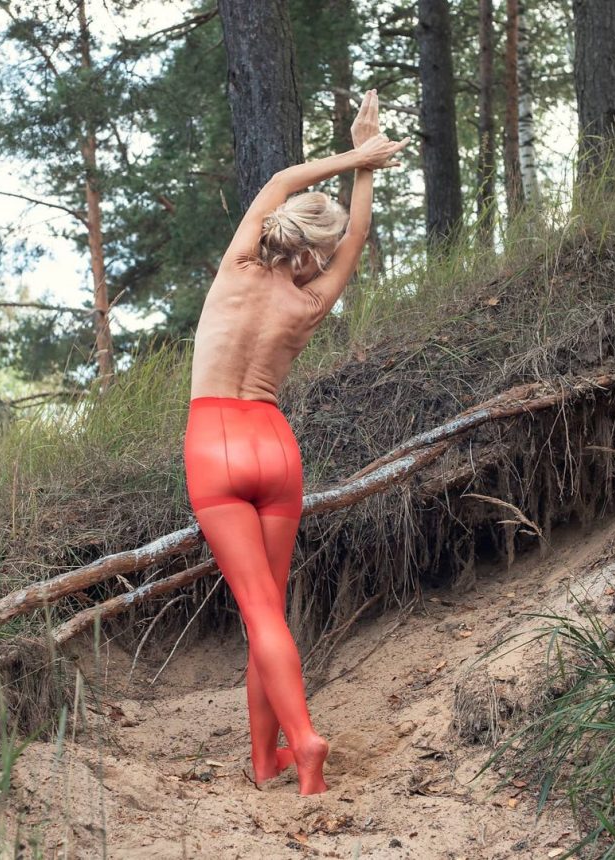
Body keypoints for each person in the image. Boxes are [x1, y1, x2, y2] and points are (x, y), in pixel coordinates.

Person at [183, 90, 409, 795]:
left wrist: (353, 153)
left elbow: (283, 180)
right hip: (276, 446)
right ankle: (265, 759)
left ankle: (304, 739)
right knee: (271, 611)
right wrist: (369, 166)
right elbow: (358, 235)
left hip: (215, 442)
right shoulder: (312, 300)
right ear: (316, 250)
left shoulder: (239, 265)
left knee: (258, 612)